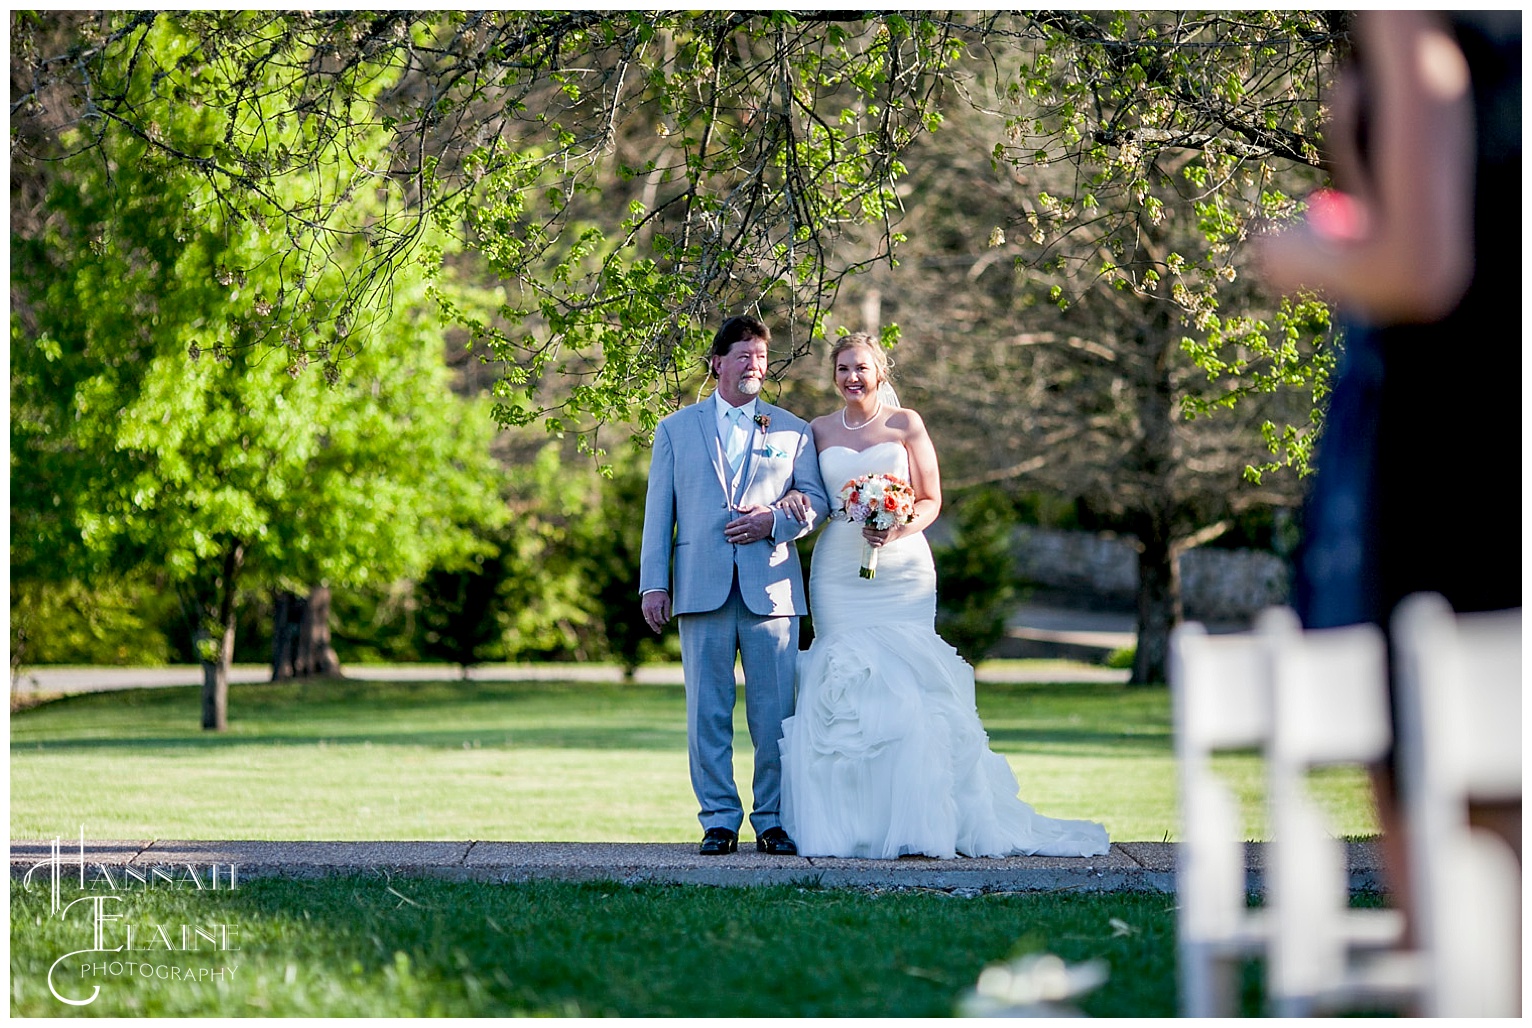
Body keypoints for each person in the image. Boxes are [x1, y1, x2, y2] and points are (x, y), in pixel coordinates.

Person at [1256, 9, 1520, 901]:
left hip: (1444, 435)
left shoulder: (1411, 19)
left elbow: (1421, 266)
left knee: (1446, 806)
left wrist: (1302, 253)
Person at [773, 334, 1110, 859]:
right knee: (844, 679)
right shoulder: (816, 430)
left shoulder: (906, 423)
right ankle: (850, 824)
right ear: (832, 375)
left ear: (879, 372)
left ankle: (920, 820)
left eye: (861, 367)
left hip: (903, 568)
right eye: (842, 369)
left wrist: (898, 528)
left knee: (908, 683)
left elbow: (931, 499)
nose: (851, 377)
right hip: (840, 566)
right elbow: (812, 494)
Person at [639, 314, 830, 856]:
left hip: (770, 589)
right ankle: (719, 820)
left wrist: (775, 520)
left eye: (762, 357)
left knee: (775, 715)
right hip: (700, 586)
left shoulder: (793, 429)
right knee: (707, 711)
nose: (754, 365)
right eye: (744, 355)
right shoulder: (675, 429)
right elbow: (659, 513)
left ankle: (772, 820)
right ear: (717, 362)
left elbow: (814, 501)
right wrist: (654, 584)